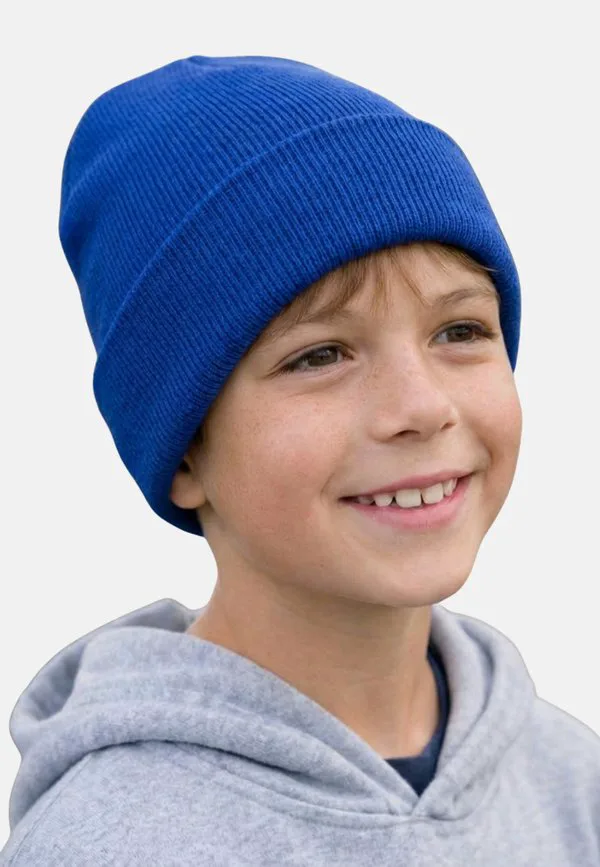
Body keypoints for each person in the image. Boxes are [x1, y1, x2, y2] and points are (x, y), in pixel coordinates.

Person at [2, 54, 599, 866]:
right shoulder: (113, 843)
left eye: (459, 331)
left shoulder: (569, 778)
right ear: (184, 453)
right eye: (320, 355)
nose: (422, 406)